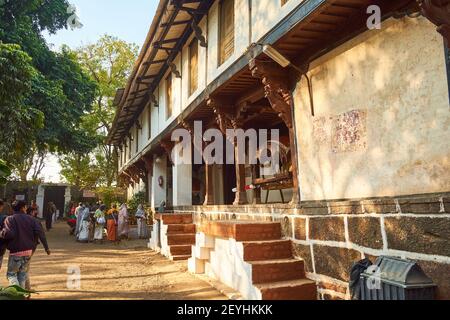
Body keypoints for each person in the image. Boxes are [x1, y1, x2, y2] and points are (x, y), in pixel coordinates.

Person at [0, 201, 50, 288]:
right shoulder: (32, 219)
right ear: (23, 208)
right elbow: (40, 233)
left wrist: (1, 233)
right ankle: (22, 294)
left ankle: (17, 292)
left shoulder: (10, 219)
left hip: (16, 251)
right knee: (22, 275)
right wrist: (46, 248)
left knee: (11, 275)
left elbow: (9, 234)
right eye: (25, 207)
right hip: (28, 251)